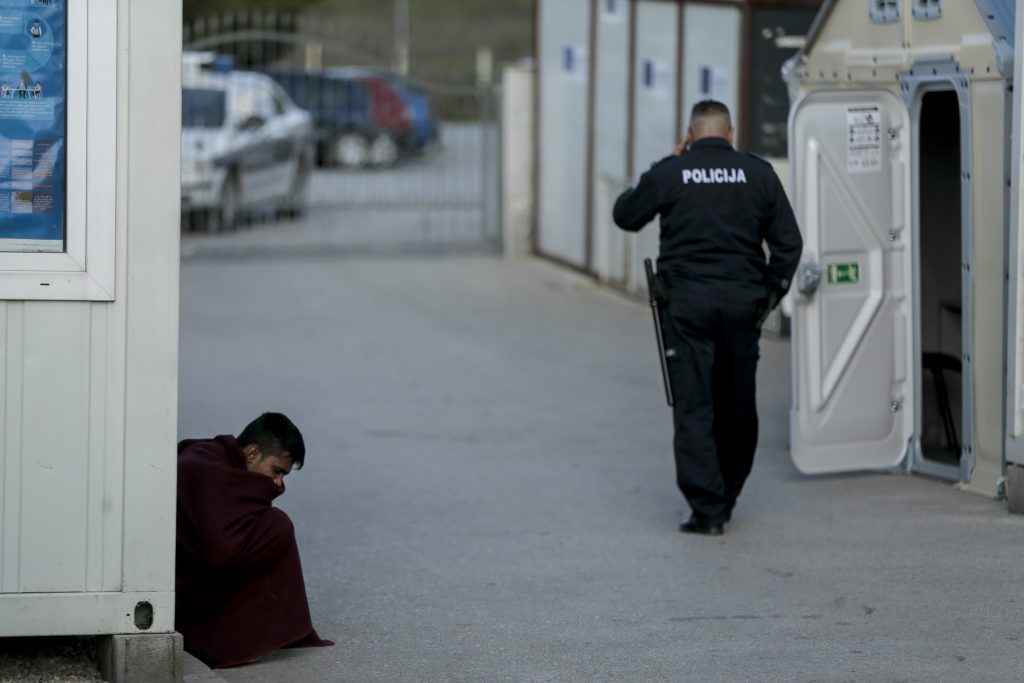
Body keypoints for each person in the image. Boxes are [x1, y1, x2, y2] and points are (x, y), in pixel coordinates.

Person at [612, 100, 802, 536]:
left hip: (688, 307)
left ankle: (708, 509)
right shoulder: (758, 173)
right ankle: (728, 494)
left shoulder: (670, 172)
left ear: (690, 134)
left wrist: (665, 162)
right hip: (743, 306)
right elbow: (789, 244)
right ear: (731, 133)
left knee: (695, 405)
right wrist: (769, 294)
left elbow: (625, 215)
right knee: (737, 406)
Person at [175, 412, 333, 668]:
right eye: (277, 471)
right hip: (177, 594)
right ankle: (223, 637)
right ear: (252, 453)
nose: (279, 484)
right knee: (276, 526)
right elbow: (218, 553)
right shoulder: (203, 468)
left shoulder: (221, 464)